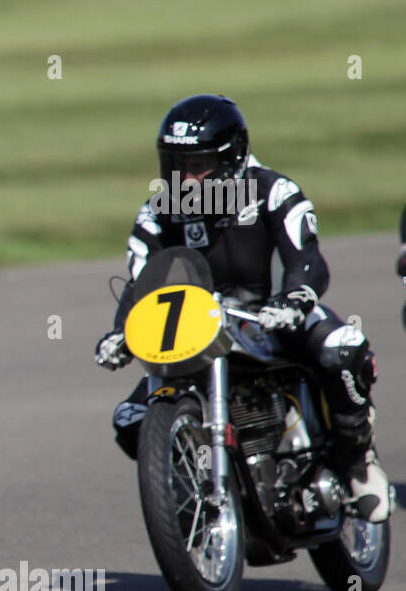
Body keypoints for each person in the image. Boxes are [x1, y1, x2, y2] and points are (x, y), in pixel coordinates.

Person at [95, 93, 390, 522]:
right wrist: (123, 330)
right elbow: (144, 280)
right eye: (178, 168)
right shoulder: (157, 212)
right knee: (129, 419)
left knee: (342, 347)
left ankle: (356, 461)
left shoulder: (274, 190)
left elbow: (306, 257)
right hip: (201, 327)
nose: (188, 180)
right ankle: (198, 484)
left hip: (270, 316)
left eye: (198, 167)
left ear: (231, 157)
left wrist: (294, 298)